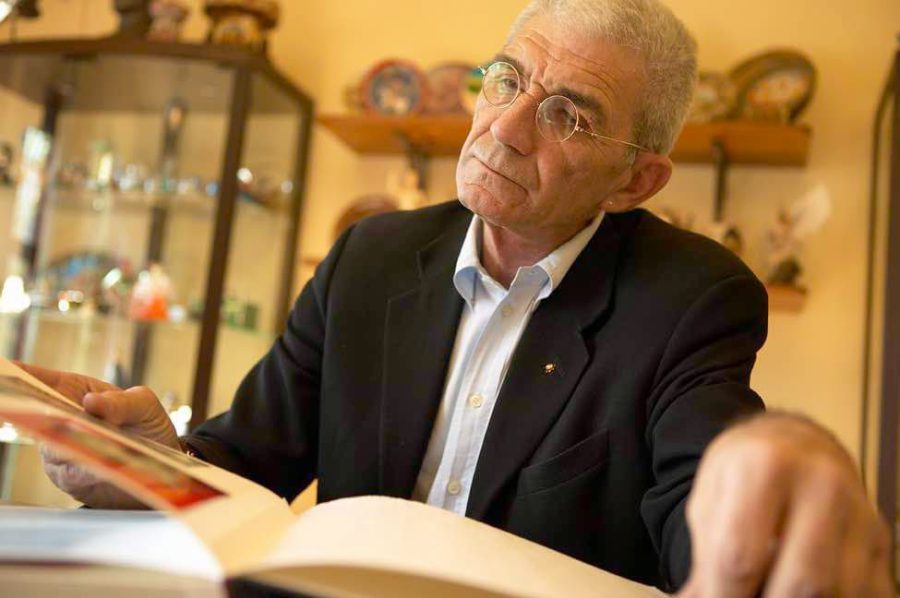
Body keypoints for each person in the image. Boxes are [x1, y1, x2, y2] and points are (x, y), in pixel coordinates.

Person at [29, 0, 891, 595]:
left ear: (636, 181)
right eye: (507, 79)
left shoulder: (693, 298)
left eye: (568, 116)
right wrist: (150, 464)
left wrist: (778, 481)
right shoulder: (369, 256)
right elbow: (250, 463)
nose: (503, 128)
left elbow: (705, 521)